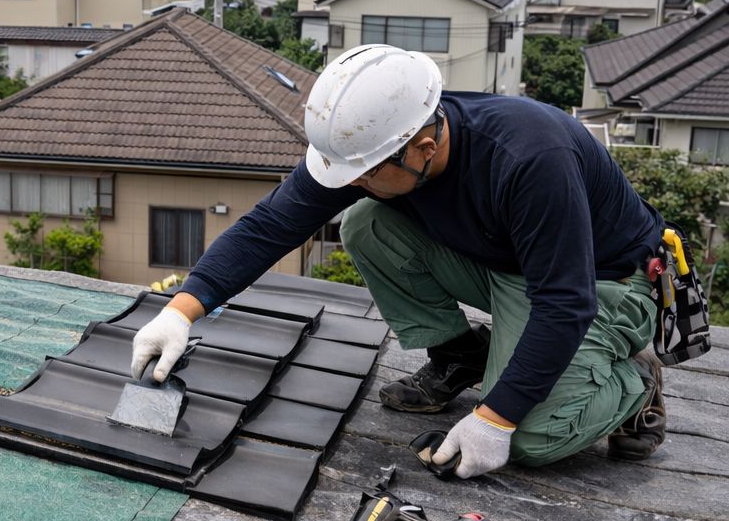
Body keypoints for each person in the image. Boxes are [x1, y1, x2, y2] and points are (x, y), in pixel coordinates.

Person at [129, 44, 669, 479]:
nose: (352, 182)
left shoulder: (530, 159)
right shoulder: (379, 143)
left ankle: (633, 383)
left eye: (364, 173)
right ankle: (463, 355)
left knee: (528, 438)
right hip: (507, 263)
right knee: (366, 223)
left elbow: (563, 302)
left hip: (603, 286)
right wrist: (182, 309)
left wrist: (494, 419)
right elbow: (271, 225)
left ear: (424, 146)